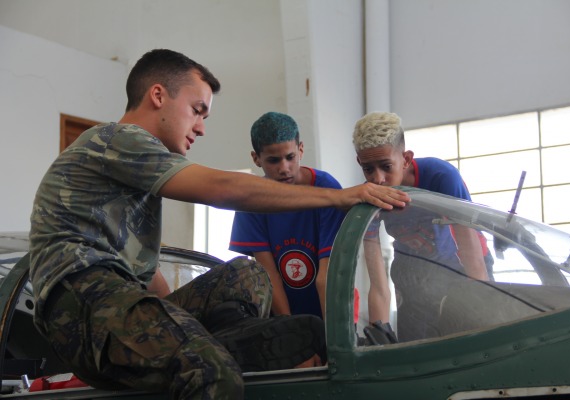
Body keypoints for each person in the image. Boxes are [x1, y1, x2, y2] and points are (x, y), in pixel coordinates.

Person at [28, 49, 410, 400]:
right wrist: (342, 195)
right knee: (211, 371)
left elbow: (146, 281)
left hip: (115, 301)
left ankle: (227, 345)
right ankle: (219, 356)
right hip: (78, 305)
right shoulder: (115, 140)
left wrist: (177, 328)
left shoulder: (138, 176)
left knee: (246, 275)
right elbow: (222, 187)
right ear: (158, 96)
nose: (201, 128)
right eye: (197, 110)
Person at [352, 111, 489, 342]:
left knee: (466, 332)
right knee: (413, 344)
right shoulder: (369, 198)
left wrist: (483, 315)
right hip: (412, 268)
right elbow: (377, 284)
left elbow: (471, 253)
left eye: (386, 166)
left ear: (405, 159)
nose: (378, 179)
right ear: (359, 163)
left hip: (463, 261)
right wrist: (380, 334)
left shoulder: (442, 177)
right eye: (368, 169)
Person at [229, 112, 346, 320]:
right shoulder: (250, 200)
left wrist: (334, 341)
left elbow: (327, 277)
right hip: (280, 317)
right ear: (256, 159)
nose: (284, 168)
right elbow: (268, 276)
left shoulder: (328, 190)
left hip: (330, 313)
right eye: (274, 160)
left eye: (290, 157)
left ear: (300, 150)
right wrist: (292, 336)